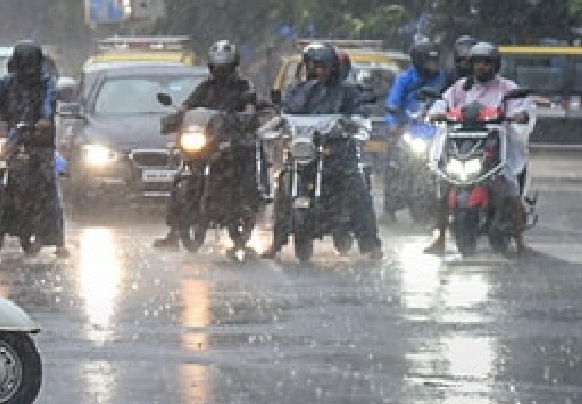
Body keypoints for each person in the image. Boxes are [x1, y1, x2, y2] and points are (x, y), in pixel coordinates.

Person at [263, 43, 384, 260]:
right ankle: (276, 243)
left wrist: (353, 122)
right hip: (304, 151)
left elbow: (360, 111)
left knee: (357, 189)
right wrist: (277, 124)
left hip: (338, 154)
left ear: (333, 67)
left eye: (322, 66)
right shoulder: (298, 91)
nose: (317, 71)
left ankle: (370, 244)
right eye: (312, 65)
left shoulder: (347, 91)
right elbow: (287, 112)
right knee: (283, 185)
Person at [424, 42, 535, 257]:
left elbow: (523, 108)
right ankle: (440, 239)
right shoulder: (459, 88)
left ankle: (521, 243)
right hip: (463, 145)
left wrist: (520, 115)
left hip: (495, 147)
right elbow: (442, 104)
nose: (480, 67)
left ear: (495, 64)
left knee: (510, 187)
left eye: (486, 62)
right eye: (476, 62)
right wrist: (435, 112)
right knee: (444, 185)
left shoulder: (507, 88)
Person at [155, 40, 260, 251]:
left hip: (229, 142)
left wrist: (238, 120)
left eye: (225, 67)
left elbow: (250, 111)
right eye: (217, 66)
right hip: (205, 143)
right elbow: (188, 107)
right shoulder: (205, 87)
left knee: (239, 165)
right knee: (180, 178)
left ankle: (240, 211)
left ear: (233, 66)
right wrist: (175, 118)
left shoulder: (243, 87)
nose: (221, 71)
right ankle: (175, 230)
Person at [0, 41, 69, 258]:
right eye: (24, 63)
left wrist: (43, 119)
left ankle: (57, 237)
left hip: (38, 142)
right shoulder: (6, 84)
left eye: (30, 63)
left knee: (46, 182)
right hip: (10, 141)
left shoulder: (46, 84)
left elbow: (48, 104)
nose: (27, 69)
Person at [380, 40, 449, 222]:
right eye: (429, 61)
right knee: (396, 166)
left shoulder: (443, 78)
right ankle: (390, 207)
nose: (433, 65)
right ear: (419, 61)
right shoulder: (404, 79)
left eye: (435, 61)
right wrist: (393, 123)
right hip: (410, 130)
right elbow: (392, 104)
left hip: (437, 132)